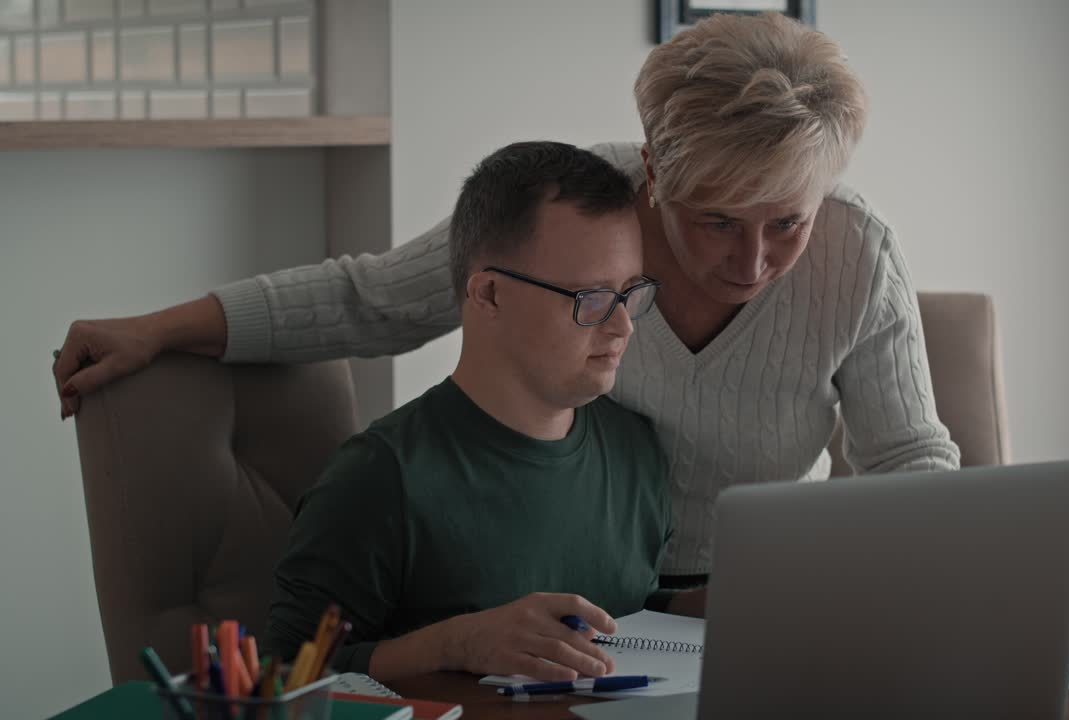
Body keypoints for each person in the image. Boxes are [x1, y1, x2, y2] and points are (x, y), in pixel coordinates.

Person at [53, 13, 960, 588]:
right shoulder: (577, 207)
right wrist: (160, 327)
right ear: (653, 174)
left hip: (762, 603)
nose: (753, 260)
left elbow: (909, 454)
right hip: (578, 595)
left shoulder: (858, 249)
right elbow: (372, 299)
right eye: (717, 221)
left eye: (786, 224)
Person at [268, 141, 698, 683]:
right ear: (490, 294)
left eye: (631, 293)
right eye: (591, 298)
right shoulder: (379, 478)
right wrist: (456, 643)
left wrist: (713, 607)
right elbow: (281, 676)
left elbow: (624, 615)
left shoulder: (636, 449)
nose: (623, 326)